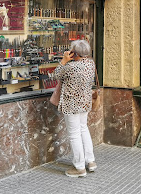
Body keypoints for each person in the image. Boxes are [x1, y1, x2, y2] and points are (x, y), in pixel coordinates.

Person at [54, 39, 97, 178]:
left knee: (74, 134)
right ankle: (90, 161)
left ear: (74, 53)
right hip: (84, 102)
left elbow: (56, 74)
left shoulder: (71, 67)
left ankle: (79, 167)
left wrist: (64, 60)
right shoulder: (90, 63)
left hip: (71, 104)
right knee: (83, 129)